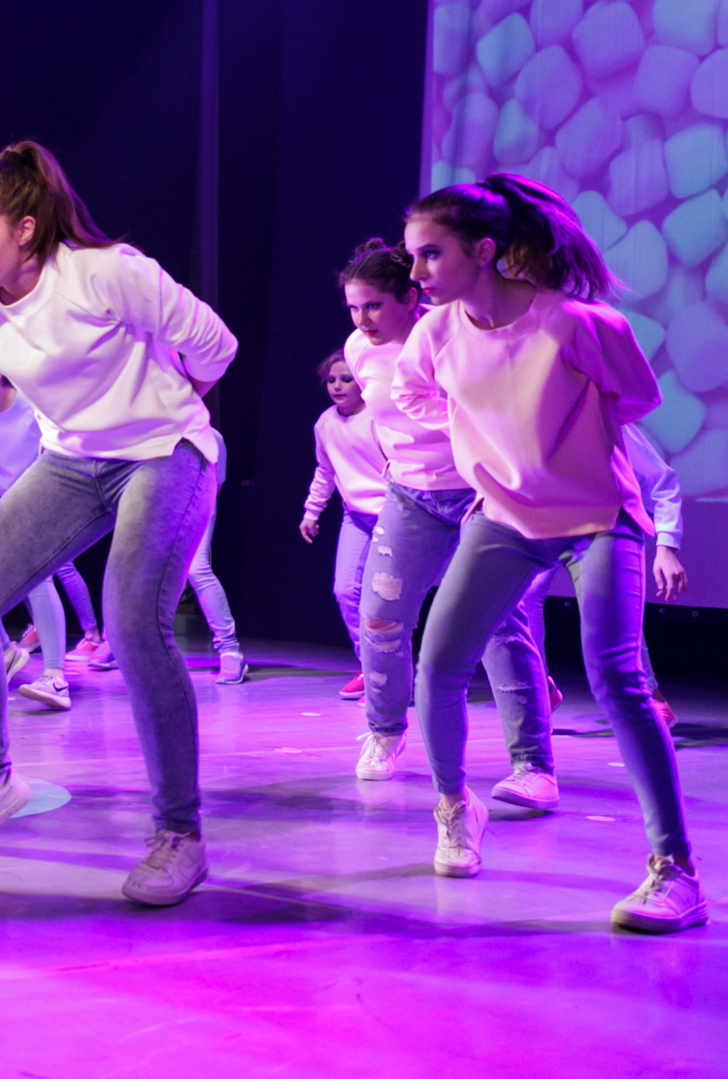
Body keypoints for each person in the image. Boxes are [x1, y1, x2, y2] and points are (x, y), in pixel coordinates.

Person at [396, 173, 704, 933]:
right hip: (503, 518)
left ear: (483, 250)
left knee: (619, 678)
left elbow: (636, 401)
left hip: (598, 516)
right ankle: (455, 807)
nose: (416, 272)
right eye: (413, 256)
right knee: (437, 665)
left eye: (431, 254)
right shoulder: (434, 335)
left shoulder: (576, 323)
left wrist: (559, 444)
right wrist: (484, 456)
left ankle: (676, 871)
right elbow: (415, 396)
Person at [0, 140, 237, 909]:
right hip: (73, 462)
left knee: (133, 623)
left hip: (165, 451)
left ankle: (180, 834)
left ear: (25, 229)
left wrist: (168, 399)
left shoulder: (105, 271)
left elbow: (216, 343)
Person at [343, 239, 555, 806]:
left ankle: (534, 765)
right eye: (354, 308)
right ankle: (385, 731)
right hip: (410, 498)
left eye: (374, 306)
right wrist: (393, 462)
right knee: (380, 618)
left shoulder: (454, 336)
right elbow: (383, 417)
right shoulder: (359, 350)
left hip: (475, 495)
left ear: (409, 299)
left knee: (499, 625)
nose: (363, 320)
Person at [521, 425, 687, 727]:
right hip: (548, 520)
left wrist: (666, 546)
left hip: (604, 524)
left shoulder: (603, 416)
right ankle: (540, 688)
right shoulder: (526, 418)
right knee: (524, 596)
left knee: (615, 605)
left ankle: (650, 692)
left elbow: (663, 481)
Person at [0, 345, 88, 709]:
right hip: (9, 505)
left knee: (38, 579)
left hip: (47, 500)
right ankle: (6, 652)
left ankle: (55, 677)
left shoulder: (31, 404)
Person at [299, 350, 387, 687]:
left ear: (361, 381)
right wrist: (312, 511)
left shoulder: (378, 417)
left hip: (391, 516)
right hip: (356, 517)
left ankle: (390, 675)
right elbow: (326, 470)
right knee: (345, 590)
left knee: (384, 599)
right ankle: (370, 668)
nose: (337, 386)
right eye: (331, 380)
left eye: (345, 379)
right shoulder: (326, 423)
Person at [182, 426, 246, 685]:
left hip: (197, 501)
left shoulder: (211, 436)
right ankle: (115, 642)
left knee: (196, 569)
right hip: (154, 505)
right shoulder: (150, 428)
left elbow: (215, 485)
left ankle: (229, 649)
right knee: (142, 571)